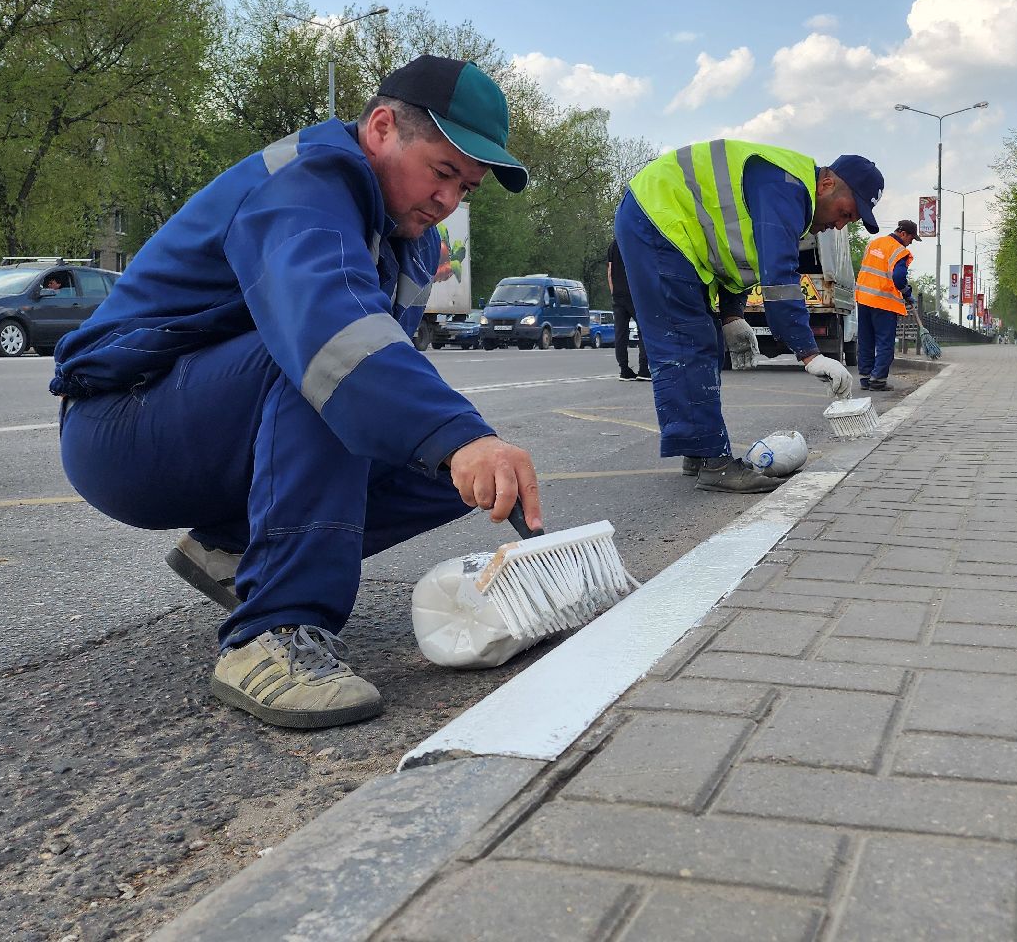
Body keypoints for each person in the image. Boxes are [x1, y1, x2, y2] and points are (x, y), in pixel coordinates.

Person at [51, 55, 540, 730]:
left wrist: (463, 443)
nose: (450, 202)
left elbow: (380, 387)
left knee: (441, 469)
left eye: (468, 189)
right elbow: (335, 342)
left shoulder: (413, 245)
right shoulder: (305, 181)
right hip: (122, 424)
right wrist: (459, 434)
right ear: (379, 129)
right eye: (443, 172)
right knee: (331, 374)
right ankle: (272, 635)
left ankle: (233, 550)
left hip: (199, 426)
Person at [615, 139, 882, 493]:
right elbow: (779, 279)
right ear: (827, 184)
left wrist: (731, 315)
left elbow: (739, 259)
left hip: (667, 225)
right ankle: (714, 464)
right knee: (686, 340)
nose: (840, 225)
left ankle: (699, 451)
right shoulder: (786, 186)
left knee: (703, 340)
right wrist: (810, 354)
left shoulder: (790, 194)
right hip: (657, 218)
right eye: (846, 213)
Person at [854, 219, 916, 391]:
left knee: (866, 339)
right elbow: (898, 278)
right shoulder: (899, 251)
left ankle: (865, 378)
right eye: (911, 238)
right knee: (884, 342)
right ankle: (878, 380)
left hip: (864, 298)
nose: (911, 242)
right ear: (903, 233)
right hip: (883, 301)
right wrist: (906, 292)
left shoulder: (874, 243)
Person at [605, 236, 650, 381]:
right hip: (635, 294)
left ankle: (624, 370)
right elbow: (643, 267)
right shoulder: (637, 241)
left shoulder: (614, 245)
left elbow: (610, 271)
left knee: (620, 333)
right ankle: (643, 369)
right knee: (644, 330)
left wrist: (614, 292)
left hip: (618, 295)